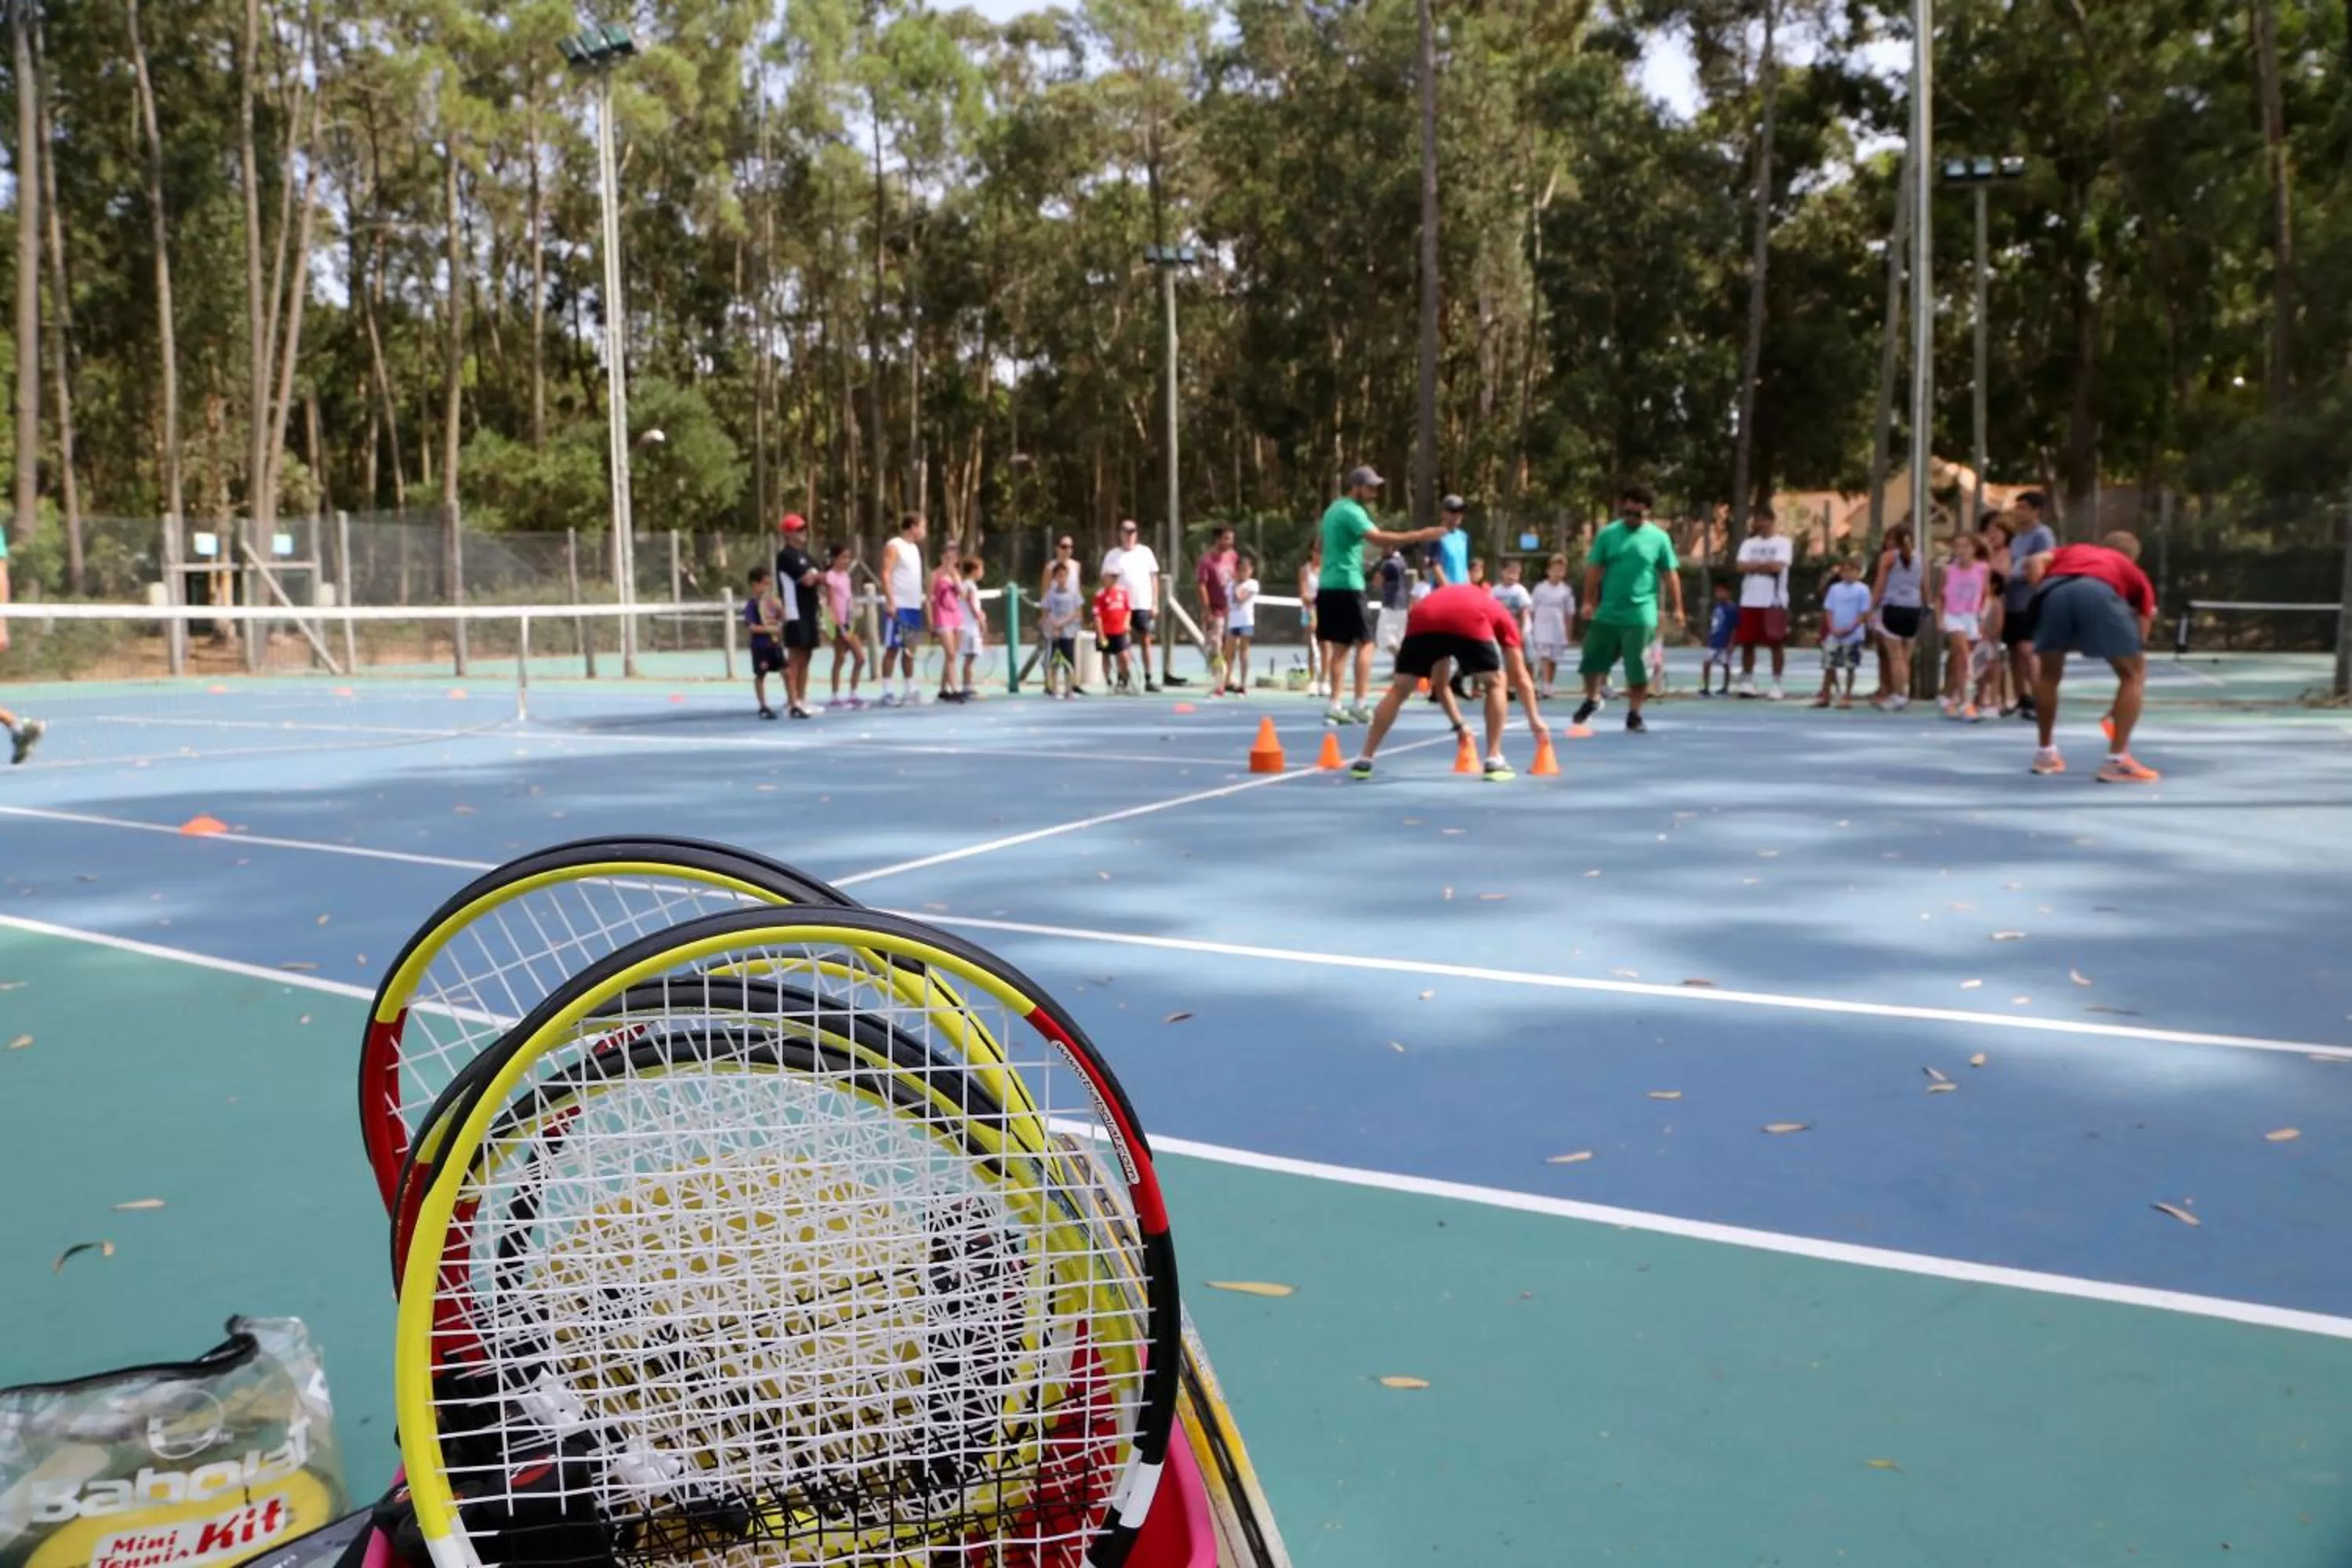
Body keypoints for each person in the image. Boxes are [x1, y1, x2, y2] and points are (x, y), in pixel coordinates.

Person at [1348, 583, 1548, 781]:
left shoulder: (1457, 597)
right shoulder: (1504, 616)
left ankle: (1364, 758)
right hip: (1468, 618)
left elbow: (1441, 684)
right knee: (1496, 682)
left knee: (1400, 688)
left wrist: (1459, 725)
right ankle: (1494, 759)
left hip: (1423, 616)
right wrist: (1535, 720)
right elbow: (1521, 676)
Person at [2020, 532, 2161, 782]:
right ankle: (2116, 762)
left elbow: (2032, 563)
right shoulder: (2131, 569)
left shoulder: (2074, 549)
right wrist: (2127, 693)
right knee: (2134, 675)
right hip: (2097, 592)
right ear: (2133, 557)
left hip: (2052, 593)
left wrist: (2040, 588)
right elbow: (2143, 624)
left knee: (2049, 674)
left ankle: (2045, 755)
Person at [1312, 466, 1448, 724]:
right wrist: (1422, 535)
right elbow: (1379, 539)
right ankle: (1360, 704)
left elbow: (1319, 546)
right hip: (1349, 586)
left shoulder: (1332, 510)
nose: (1374, 493)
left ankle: (1335, 705)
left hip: (1328, 585)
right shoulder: (1353, 511)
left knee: (1340, 647)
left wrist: (1348, 555)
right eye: (1371, 487)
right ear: (1357, 487)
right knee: (1367, 643)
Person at [1573, 483, 1684, 734]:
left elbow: (1670, 574)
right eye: (1628, 513)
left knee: (1637, 665)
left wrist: (1679, 607)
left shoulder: (1659, 538)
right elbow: (1593, 570)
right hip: (1609, 611)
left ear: (1648, 513)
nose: (1632, 518)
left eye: (1638, 514)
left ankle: (1634, 714)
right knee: (1591, 660)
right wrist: (1589, 601)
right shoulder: (1608, 535)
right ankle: (1592, 699)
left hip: (1641, 612)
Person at [2002, 489, 2056, 721]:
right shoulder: (2016, 538)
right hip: (2011, 601)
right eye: (2017, 507)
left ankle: (2040, 700)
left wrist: (2014, 576)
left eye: (2023, 507)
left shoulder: (2042, 534)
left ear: (2036, 511)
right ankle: (2022, 698)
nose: (2017, 512)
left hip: (2030, 601)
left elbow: (2044, 564)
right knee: (2014, 651)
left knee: (2027, 650)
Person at [1733, 505, 1793, 699]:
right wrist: (1761, 566)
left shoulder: (1783, 543)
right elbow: (1741, 566)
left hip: (1773, 601)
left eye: (1763, 519)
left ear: (1771, 520)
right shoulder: (1748, 544)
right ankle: (1748, 681)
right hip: (1749, 600)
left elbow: (1778, 566)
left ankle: (1776, 684)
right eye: (1757, 520)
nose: (1760, 524)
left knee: (1776, 644)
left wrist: (1754, 566)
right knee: (1747, 643)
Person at [1102, 520, 1163, 691]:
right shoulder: (1112, 555)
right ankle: (1124, 678)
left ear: (1136, 533)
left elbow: (1154, 579)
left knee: (1146, 641)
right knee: (1123, 645)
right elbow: (1106, 581)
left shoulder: (1145, 553)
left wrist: (1155, 603)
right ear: (1120, 533)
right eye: (1126, 531)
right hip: (1120, 608)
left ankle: (1149, 678)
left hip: (1142, 604)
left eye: (1132, 531)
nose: (1129, 535)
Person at [772, 513, 822, 720]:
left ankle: (801, 698)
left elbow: (817, 578)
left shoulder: (808, 556)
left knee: (807, 655)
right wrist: (826, 576)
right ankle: (792, 701)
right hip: (795, 612)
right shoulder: (786, 556)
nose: (803, 533)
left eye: (804, 528)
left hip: (810, 611)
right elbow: (808, 580)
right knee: (795, 655)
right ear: (788, 534)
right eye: (798, 529)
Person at [1937, 533, 1992, 720]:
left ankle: (1947, 696)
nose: (1961, 550)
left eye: (1965, 546)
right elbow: (1940, 597)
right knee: (1961, 653)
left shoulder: (1983, 569)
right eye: (1957, 546)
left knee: (1959, 660)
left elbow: (1986, 595)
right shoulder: (1948, 571)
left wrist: (1983, 616)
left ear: (1974, 549)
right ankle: (1964, 702)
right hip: (1953, 616)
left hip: (1972, 617)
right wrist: (1940, 619)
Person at [1869, 524, 1924, 709]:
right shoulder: (1920, 558)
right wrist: (1925, 608)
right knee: (1904, 658)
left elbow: (1880, 585)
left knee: (1895, 656)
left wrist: (1870, 607)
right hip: (1913, 609)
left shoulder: (1888, 557)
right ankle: (1901, 692)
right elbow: (1925, 586)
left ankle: (1899, 695)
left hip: (1893, 608)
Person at [877, 511, 927, 707]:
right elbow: (885, 573)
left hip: (913, 607)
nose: (924, 531)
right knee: (892, 648)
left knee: (910, 650)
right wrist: (891, 601)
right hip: (899, 606)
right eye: (922, 527)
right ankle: (887, 691)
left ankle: (909, 689)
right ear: (913, 527)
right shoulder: (894, 545)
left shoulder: (914, 549)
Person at [1812, 557, 1873, 709]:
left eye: (1851, 571)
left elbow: (1864, 613)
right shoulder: (1835, 589)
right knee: (1828, 664)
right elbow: (1829, 610)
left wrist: (1850, 628)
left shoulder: (1863, 590)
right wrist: (1832, 628)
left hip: (1853, 635)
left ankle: (1847, 695)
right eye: (1844, 571)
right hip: (1834, 634)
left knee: (1850, 666)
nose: (1847, 574)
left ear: (1859, 573)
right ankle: (1825, 694)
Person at [822, 543, 865, 709]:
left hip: (848, 621)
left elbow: (847, 600)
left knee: (860, 659)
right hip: (838, 623)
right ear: (834, 559)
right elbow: (832, 602)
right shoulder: (830, 576)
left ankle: (853, 694)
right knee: (840, 658)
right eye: (843, 557)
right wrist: (838, 626)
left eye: (848, 557)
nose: (846, 561)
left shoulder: (846, 576)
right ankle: (835, 695)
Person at [1528, 553, 1576, 699]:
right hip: (1542, 627)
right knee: (1545, 657)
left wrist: (1568, 633)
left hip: (1558, 628)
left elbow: (1569, 614)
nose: (1557, 573)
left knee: (1554, 659)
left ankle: (1548, 684)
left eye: (1561, 570)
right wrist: (1532, 627)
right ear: (1548, 571)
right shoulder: (1540, 588)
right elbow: (1532, 609)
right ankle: (1544, 686)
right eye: (1555, 570)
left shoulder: (1566, 591)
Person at [1196, 525, 1238, 688]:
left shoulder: (1233, 557)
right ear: (1217, 539)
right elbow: (1201, 586)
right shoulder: (1206, 561)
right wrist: (1207, 610)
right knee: (1215, 645)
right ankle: (1218, 676)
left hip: (1232, 610)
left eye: (1232, 539)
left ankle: (1229, 676)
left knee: (1231, 645)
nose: (1230, 542)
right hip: (1215, 609)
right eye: (1227, 539)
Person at [744, 564, 786, 720]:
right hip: (760, 647)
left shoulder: (772, 602)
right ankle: (763, 706)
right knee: (761, 675)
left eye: (769, 583)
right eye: (764, 583)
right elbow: (752, 628)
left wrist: (781, 612)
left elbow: (782, 619)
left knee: (786, 671)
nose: (767, 587)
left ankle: (793, 702)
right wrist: (769, 630)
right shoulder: (752, 605)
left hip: (774, 645)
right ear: (755, 584)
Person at [1040, 559, 1085, 699]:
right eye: (1059, 576)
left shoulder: (1074, 593)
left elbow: (1077, 612)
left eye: (1064, 575)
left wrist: (1063, 623)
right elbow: (1046, 611)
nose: (1062, 579)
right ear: (1054, 578)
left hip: (1069, 633)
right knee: (1054, 662)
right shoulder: (1050, 594)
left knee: (1069, 662)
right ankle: (1053, 689)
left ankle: (1069, 690)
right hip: (1055, 634)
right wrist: (1055, 623)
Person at [929, 550, 967, 703]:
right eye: (948, 557)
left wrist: (955, 579)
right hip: (942, 615)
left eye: (954, 558)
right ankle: (955, 688)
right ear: (942, 557)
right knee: (950, 653)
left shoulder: (955, 574)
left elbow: (963, 594)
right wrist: (930, 620)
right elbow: (929, 598)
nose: (951, 560)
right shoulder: (935, 575)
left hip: (955, 614)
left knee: (952, 655)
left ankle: (943, 688)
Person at [1091, 571, 1135, 692]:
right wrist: (1100, 634)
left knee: (1124, 656)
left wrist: (1126, 623)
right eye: (1111, 577)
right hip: (1105, 632)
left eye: (1116, 577)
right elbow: (1097, 615)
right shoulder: (1100, 595)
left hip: (1120, 631)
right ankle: (1109, 682)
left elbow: (1128, 610)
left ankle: (1124, 680)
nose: (1114, 579)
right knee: (1105, 657)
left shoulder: (1123, 592)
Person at [1225, 551, 1260, 695]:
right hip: (1233, 622)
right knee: (1229, 653)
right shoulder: (1230, 585)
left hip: (1246, 621)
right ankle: (1226, 680)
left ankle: (1244, 683)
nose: (1243, 573)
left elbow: (1240, 599)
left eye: (1246, 570)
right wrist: (1233, 583)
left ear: (1251, 571)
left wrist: (1236, 586)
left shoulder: (1253, 584)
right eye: (1240, 570)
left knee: (1244, 652)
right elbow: (1229, 602)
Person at [1697, 580, 1737, 696]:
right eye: (1717, 592)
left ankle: (1725, 687)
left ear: (1728, 592)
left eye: (1722, 592)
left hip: (1724, 642)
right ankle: (1706, 687)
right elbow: (1714, 624)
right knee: (1707, 663)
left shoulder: (1732, 609)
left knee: (1726, 665)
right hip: (1713, 641)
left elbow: (1734, 627)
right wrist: (1708, 637)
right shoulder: (1716, 607)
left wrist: (1732, 642)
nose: (1719, 594)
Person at [1374, 545, 1412, 661]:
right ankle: (1399, 668)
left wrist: (1379, 563)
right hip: (1403, 605)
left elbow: (1377, 583)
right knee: (1398, 639)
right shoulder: (1403, 562)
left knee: (1384, 638)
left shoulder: (1389, 564)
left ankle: (1404, 660)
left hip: (1391, 606)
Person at [956, 557, 987, 699]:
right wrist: (980, 620)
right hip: (969, 628)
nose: (982, 572)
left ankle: (967, 686)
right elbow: (971, 604)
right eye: (981, 569)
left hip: (968, 627)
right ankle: (967, 687)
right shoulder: (969, 586)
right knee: (969, 658)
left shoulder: (967, 585)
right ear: (975, 570)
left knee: (970, 658)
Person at [1433, 495, 1471, 586]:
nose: (1458, 515)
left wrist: (1469, 588)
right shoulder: (1436, 535)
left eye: (1460, 511)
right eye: (1453, 511)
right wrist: (1449, 591)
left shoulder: (1463, 537)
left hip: (1462, 591)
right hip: (1444, 593)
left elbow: (1464, 567)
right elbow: (1435, 566)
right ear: (1444, 513)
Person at [1296, 547, 1320, 681]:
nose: (1319, 555)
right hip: (1309, 612)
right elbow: (1304, 594)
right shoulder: (1305, 570)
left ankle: (1325, 679)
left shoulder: (1329, 569)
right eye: (1316, 551)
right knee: (1312, 647)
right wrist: (1313, 609)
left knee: (1327, 646)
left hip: (1326, 612)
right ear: (1311, 552)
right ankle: (1313, 680)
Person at [1491, 559, 1533, 635]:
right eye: (1509, 572)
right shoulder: (1495, 591)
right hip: (1503, 631)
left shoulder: (1521, 591)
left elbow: (1524, 613)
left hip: (1520, 630)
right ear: (1503, 572)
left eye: (1515, 573)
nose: (1512, 576)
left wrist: (1521, 633)